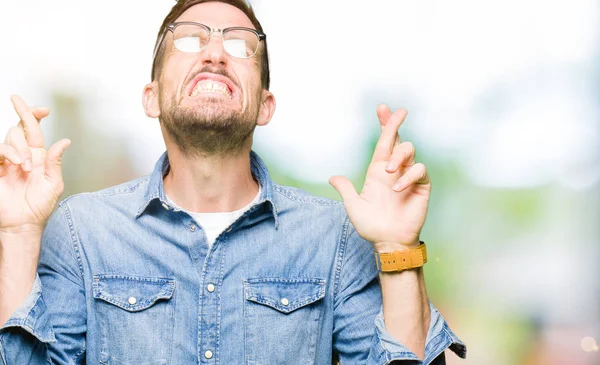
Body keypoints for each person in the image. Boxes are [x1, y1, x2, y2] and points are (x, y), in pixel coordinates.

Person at [0, 0, 466, 364]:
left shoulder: (336, 238)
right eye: (188, 40)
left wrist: (395, 250)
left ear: (266, 105)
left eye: (242, 44)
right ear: (151, 98)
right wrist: (18, 236)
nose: (215, 53)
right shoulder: (81, 231)